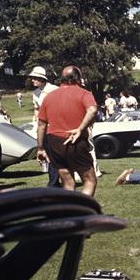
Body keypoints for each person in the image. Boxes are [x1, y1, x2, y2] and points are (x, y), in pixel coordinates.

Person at [36, 65, 98, 196]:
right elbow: (92, 110)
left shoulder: (49, 97)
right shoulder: (84, 94)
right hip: (74, 140)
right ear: (78, 78)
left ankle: (69, 212)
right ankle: (82, 211)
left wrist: (40, 148)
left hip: (54, 142)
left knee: (67, 183)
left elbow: (41, 124)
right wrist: (81, 129)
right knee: (89, 180)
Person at [26, 65, 60, 184]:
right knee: (48, 154)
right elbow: (37, 109)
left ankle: (55, 182)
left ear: (42, 79)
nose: (32, 80)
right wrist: (37, 121)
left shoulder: (54, 89)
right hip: (43, 126)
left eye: (35, 78)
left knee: (55, 154)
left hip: (55, 126)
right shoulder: (35, 93)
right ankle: (54, 181)